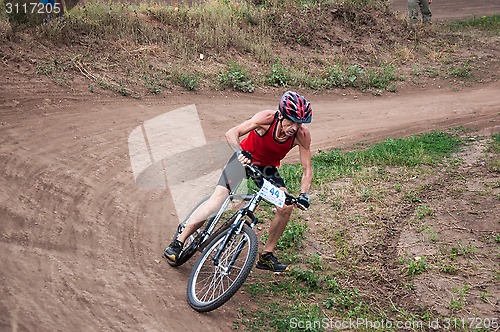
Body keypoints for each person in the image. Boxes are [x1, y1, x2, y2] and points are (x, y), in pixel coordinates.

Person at [164, 91, 313, 272]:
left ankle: (267, 255)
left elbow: (307, 169)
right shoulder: (267, 119)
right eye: (291, 120)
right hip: (243, 160)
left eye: (299, 123)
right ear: (281, 114)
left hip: (266, 168)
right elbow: (231, 133)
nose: (294, 127)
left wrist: (304, 194)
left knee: (286, 207)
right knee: (216, 202)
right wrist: (239, 152)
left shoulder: (301, 135)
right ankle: (178, 243)